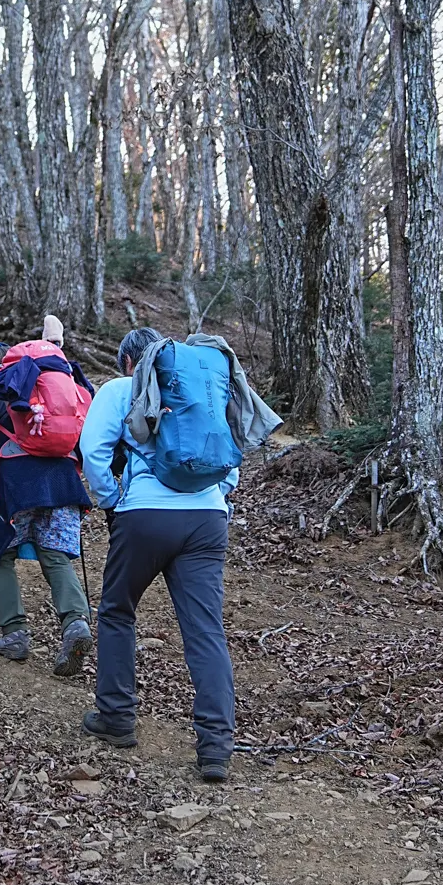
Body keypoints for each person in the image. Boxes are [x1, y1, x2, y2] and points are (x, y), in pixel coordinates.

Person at [78, 324, 279, 783]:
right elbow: (230, 454)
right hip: (208, 520)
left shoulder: (121, 388)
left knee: (116, 612)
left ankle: (116, 717)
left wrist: (111, 498)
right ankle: (215, 748)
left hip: (144, 516)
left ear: (130, 361)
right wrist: (220, 496)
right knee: (205, 630)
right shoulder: (206, 389)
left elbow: (93, 450)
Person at [0, 314, 94, 676]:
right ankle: (76, 623)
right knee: (55, 555)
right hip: (64, 479)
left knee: (2, 554)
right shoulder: (54, 380)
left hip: (15, 481)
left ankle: (14, 633)